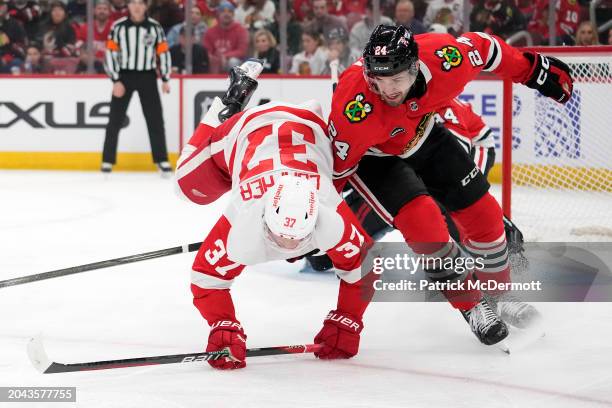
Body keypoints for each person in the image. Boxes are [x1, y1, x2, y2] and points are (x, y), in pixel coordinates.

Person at [327, 25, 572, 346]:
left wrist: (532, 70)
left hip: (422, 133)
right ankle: (472, 306)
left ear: (415, 66)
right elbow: (335, 175)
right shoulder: (353, 112)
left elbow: (486, 48)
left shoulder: (445, 58)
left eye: (397, 79)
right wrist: (321, 226)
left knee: (485, 215)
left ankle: (500, 295)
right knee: (426, 224)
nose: (387, 90)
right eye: (379, 81)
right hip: (373, 158)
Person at [175, 60, 376, 369]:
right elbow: (205, 278)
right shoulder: (244, 207)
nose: (287, 245)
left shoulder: (325, 204)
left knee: (342, 167)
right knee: (186, 186)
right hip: (247, 127)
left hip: (308, 126)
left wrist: (350, 317)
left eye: (295, 238)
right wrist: (223, 324)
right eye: (280, 235)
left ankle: (338, 100)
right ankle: (230, 103)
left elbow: (364, 266)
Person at [103, 0, 172, 175]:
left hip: (147, 76)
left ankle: (161, 159)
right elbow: (110, 53)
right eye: (133, 3)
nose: (137, 7)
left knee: (155, 119)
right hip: (124, 76)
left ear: (146, 6)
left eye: (140, 3)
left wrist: (165, 78)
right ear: (128, 6)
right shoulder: (118, 27)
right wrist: (116, 80)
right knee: (115, 119)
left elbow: (163, 52)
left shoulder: (155, 28)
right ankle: (107, 160)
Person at [203, 1, 249, 73]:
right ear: (218, 14)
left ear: (233, 14)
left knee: (232, 62)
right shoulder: (210, 32)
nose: (226, 14)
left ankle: (233, 83)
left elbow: (242, 51)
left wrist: (225, 56)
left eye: (230, 12)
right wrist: (216, 59)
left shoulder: (241, 30)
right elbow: (206, 51)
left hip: (236, 63)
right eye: (223, 11)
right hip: (216, 62)